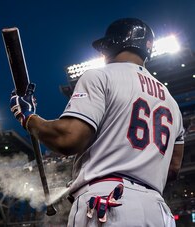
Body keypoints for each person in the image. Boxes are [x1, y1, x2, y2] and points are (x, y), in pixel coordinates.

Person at [10, 18, 184, 226]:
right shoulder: (171, 102)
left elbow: (69, 139)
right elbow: (173, 167)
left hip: (108, 202)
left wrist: (29, 118)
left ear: (113, 44)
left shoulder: (101, 76)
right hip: (158, 211)